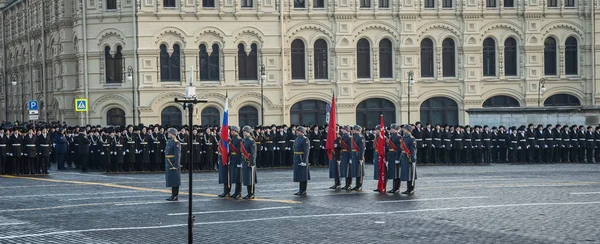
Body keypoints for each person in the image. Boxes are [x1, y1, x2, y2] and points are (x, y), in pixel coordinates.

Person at [165, 128, 181, 201]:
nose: (168, 134)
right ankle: (172, 195)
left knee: (175, 180)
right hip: (169, 162)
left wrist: (176, 165)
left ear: (173, 134)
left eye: (169, 133)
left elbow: (177, 155)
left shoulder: (176, 142)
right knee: (171, 179)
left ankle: (175, 195)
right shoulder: (170, 141)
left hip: (173, 163)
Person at [241, 126, 257, 199]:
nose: (244, 132)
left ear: (249, 132)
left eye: (246, 131)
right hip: (245, 160)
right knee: (247, 178)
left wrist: (252, 162)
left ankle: (251, 193)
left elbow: (253, 153)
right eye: (244, 131)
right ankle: (248, 193)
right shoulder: (244, 140)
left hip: (249, 161)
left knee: (251, 178)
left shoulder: (251, 141)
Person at [293, 126, 310, 195]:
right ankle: (300, 189)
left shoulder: (305, 139)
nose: (296, 132)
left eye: (298, 131)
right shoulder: (297, 139)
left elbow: (306, 151)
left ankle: (304, 190)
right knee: (300, 174)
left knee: (303, 175)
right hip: (297, 157)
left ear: (302, 132)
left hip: (302, 157)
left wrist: (304, 161)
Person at [400, 125, 417, 195]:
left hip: (409, 157)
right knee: (407, 174)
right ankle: (408, 188)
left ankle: (411, 189)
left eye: (404, 129)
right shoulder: (404, 137)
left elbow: (413, 150)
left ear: (408, 130)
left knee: (411, 174)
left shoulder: (411, 138)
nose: (403, 130)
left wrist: (413, 159)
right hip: (404, 157)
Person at [229, 126, 244, 199]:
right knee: (235, 176)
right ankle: (236, 192)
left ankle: (239, 192)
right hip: (233, 159)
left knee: (238, 177)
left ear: (236, 131)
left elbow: (240, 151)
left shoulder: (239, 139)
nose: (231, 132)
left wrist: (239, 162)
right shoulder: (233, 138)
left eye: (232, 130)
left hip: (237, 159)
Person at [386, 124, 401, 193]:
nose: (391, 129)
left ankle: (396, 188)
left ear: (396, 130)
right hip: (391, 156)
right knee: (393, 172)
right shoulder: (391, 136)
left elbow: (398, 149)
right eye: (391, 128)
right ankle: (394, 187)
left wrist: (397, 158)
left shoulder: (398, 137)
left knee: (396, 173)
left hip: (395, 156)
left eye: (392, 128)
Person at [350, 125, 366, 191]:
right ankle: (356, 185)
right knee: (356, 171)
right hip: (354, 155)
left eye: (354, 129)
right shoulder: (353, 137)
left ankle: (359, 185)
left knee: (360, 171)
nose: (353, 130)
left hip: (358, 155)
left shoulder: (360, 137)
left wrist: (361, 158)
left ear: (357, 130)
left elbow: (361, 148)